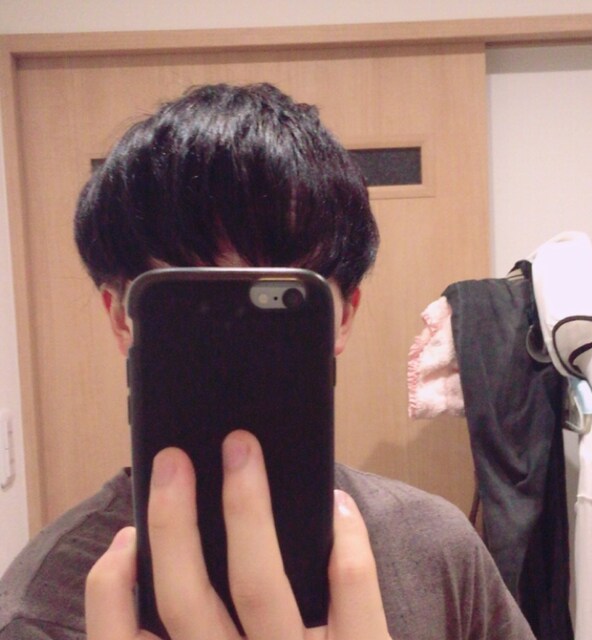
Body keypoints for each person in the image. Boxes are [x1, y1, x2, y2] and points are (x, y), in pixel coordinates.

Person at [0, 83, 535, 640]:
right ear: (121, 320)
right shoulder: (36, 612)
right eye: (190, 307)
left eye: (281, 301)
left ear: (342, 317)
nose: (231, 346)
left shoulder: (440, 548)